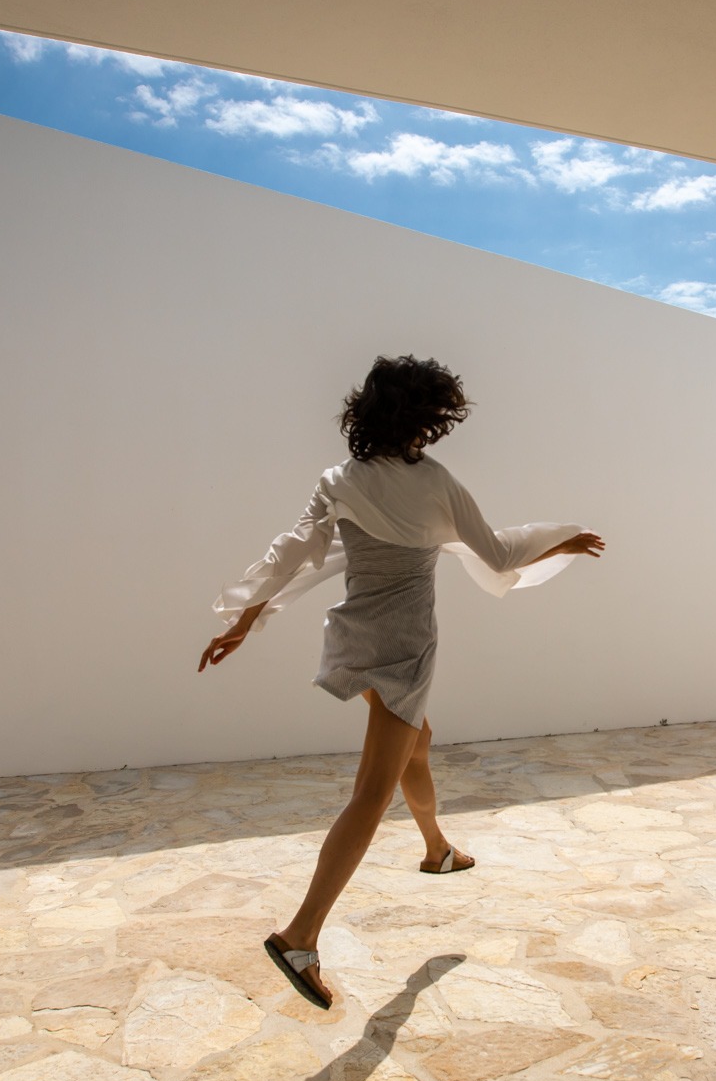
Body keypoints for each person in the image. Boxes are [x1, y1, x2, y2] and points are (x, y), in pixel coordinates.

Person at [198, 355, 603, 1009]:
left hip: (354, 635)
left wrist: (245, 624)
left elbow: (292, 553)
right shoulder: (438, 483)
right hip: (404, 650)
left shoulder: (340, 479)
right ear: (427, 420)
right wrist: (561, 544)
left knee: (418, 739)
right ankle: (299, 936)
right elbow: (497, 556)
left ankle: (439, 848)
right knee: (370, 793)